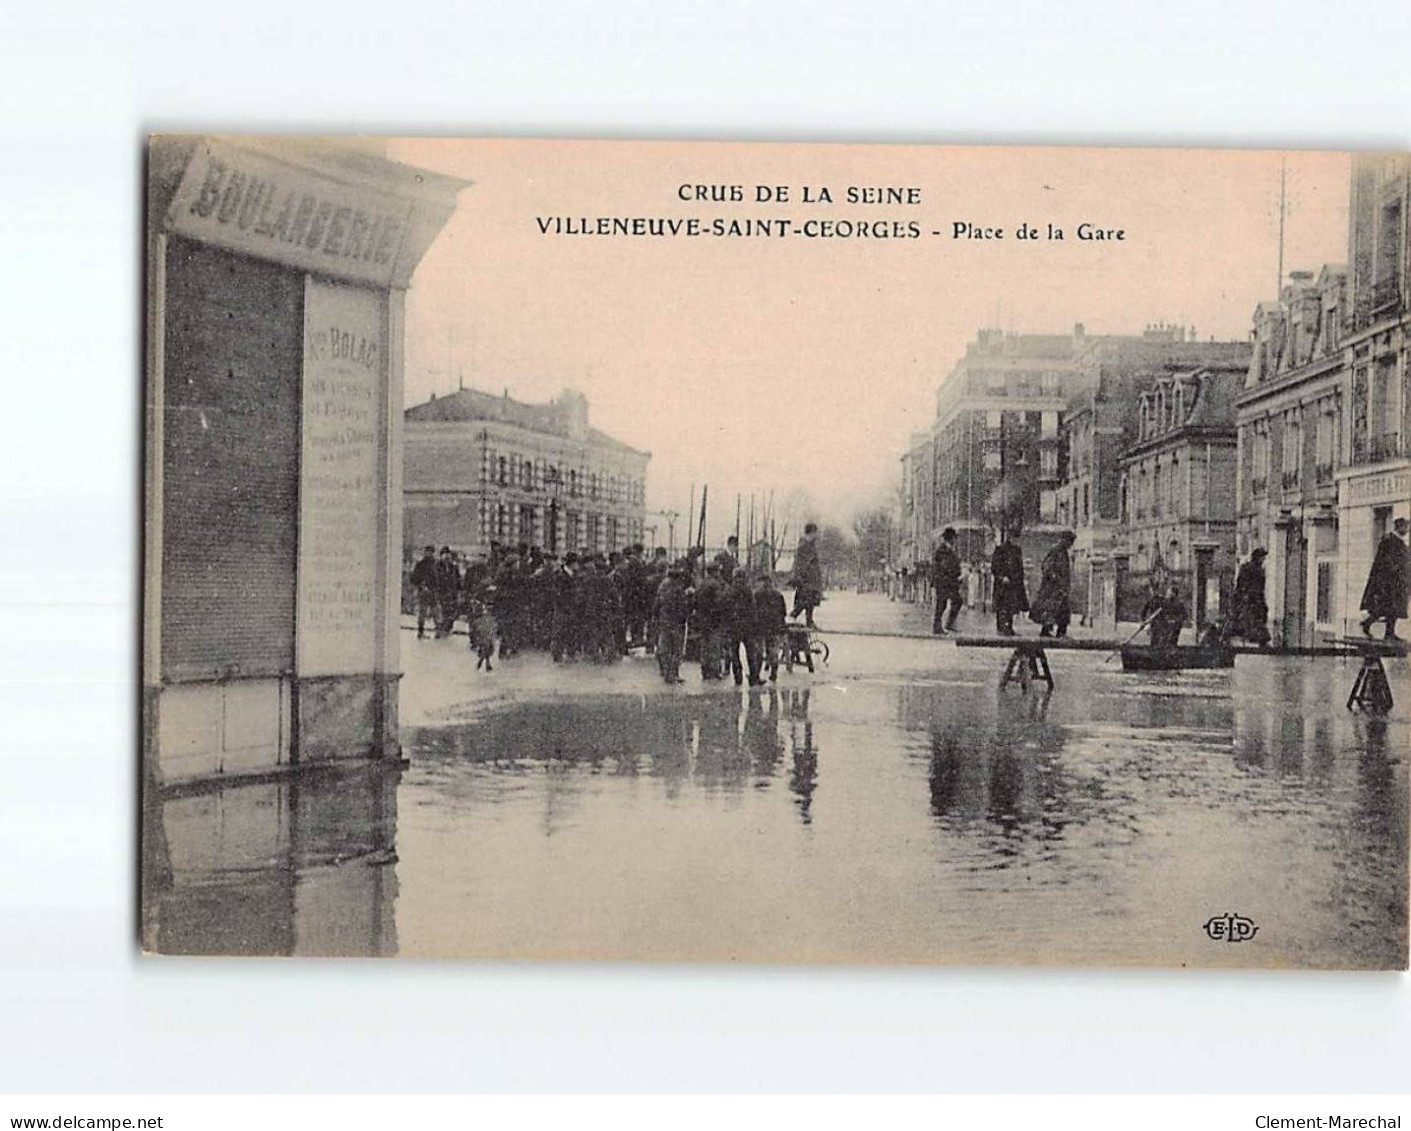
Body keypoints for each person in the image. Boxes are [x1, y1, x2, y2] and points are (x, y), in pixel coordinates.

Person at [1360, 518, 1409, 641]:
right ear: (1399, 527)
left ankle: (1389, 633)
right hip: (1387, 583)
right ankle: (1367, 623)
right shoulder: (1389, 541)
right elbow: (1385, 562)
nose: (1408, 529)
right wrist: (1396, 570)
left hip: (1398, 582)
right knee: (1384, 608)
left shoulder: (1401, 543)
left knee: (1395, 609)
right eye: (1406, 527)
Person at [1031, 530, 1076, 638]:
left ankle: (1061, 632)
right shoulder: (1055, 550)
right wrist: (1055, 578)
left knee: (1062, 610)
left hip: (1060, 588)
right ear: (1064, 540)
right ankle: (1047, 632)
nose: (1071, 544)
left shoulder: (1063, 552)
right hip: (1052, 588)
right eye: (1070, 541)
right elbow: (1046, 567)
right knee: (1051, 610)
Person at [654, 565, 694, 684]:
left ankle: (666, 672)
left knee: (665, 647)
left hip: (664, 620)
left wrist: (656, 616)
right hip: (676, 622)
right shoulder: (678, 588)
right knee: (676, 649)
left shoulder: (662, 586)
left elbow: (657, 604)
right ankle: (673, 674)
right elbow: (683, 606)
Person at [990, 530, 1028, 636]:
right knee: (1002, 606)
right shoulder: (1000, 549)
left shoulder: (1017, 550)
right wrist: (1001, 577)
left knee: (1011, 607)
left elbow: (1019, 567)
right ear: (1010, 537)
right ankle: (1001, 628)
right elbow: (995, 567)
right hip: (1003, 584)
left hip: (1014, 583)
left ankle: (1009, 628)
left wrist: (1020, 579)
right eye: (1015, 538)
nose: (1016, 541)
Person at [753, 572, 788, 683]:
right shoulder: (778, 595)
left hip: (760, 627)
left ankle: (757, 674)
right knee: (773, 651)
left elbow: (753, 611)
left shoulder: (757, 595)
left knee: (758, 651)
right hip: (774, 626)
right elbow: (783, 612)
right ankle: (774, 673)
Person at [1231, 548, 1271, 646]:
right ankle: (1258, 638)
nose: (1263, 560)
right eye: (1262, 557)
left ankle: (1257, 637)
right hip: (1251, 598)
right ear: (1257, 557)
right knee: (1253, 617)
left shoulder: (1251, 568)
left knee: (1256, 616)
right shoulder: (1253, 569)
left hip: (1253, 598)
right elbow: (1242, 584)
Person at [723, 568, 756, 686]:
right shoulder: (748, 591)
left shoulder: (729, 591)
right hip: (747, 627)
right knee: (750, 652)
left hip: (733, 627)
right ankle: (753, 676)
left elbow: (725, 609)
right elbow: (753, 609)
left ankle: (738, 677)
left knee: (734, 652)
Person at [693, 563, 725, 679]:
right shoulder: (715, 585)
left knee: (704, 645)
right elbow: (719, 602)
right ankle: (715, 670)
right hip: (714, 620)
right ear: (716, 572)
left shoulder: (701, 584)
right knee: (714, 646)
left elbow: (695, 601)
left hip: (703, 619)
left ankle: (705, 669)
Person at [789, 523, 823, 627]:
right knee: (805, 601)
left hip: (811, 580)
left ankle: (809, 620)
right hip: (806, 580)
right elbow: (800, 564)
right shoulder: (804, 546)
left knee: (810, 601)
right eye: (815, 533)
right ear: (811, 533)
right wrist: (799, 578)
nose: (816, 535)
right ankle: (792, 616)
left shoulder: (810, 546)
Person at [931, 527, 963, 635]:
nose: (956, 540)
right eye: (954, 538)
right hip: (944, 582)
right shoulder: (941, 551)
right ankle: (937, 627)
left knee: (957, 601)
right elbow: (943, 567)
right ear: (951, 538)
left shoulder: (950, 550)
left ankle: (948, 624)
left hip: (951, 582)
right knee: (941, 604)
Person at [1146, 581, 1188, 648]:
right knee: (1162, 642)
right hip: (1165, 626)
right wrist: (1149, 621)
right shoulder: (1165, 602)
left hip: (1174, 627)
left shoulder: (1179, 604)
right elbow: (1158, 612)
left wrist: (1175, 620)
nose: (1167, 593)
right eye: (1167, 592)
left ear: (1174, 594)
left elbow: (1184, 615)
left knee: (1171, 642)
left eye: (1169, 592)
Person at [409, 545, 438, 639]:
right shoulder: (420, 564)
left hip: (433, 591)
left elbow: (438, 578)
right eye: (427, 551)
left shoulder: (435, 564)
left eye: (431, 552)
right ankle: (420, 631)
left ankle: (438, 630)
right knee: (423, 612)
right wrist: (421, 586)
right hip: (424, 591)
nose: (429, 553)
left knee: (435, 611)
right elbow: (413, 578)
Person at [433, 547, 461, 638]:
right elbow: (435, 579)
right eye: (444, 554)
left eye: (448, 554)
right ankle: (440, 628)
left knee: (452, 612)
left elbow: (458, 579)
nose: (447, 556)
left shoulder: (454, 567)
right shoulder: (437, 567)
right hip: (441, 592)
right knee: (441, 611)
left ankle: (447, 627)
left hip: (452, 593)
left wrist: (459, 591)